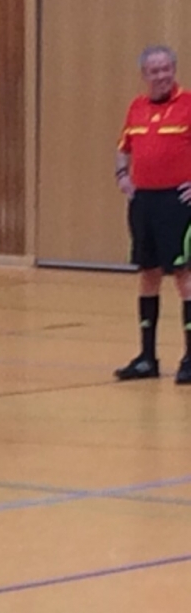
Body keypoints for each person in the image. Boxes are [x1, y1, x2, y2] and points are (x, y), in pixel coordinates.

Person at [115, 45, 191, 384]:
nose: (161, 75)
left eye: (166, 69)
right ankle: (147, 357)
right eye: (154, 71)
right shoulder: (137, 107)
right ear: (145, 75)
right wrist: (122, 175)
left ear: (174, 70)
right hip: (144, 201)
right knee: (148, 273)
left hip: (177, 202)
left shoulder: (188, 104)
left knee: (184, 275)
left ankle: (190, 357)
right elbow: (124, 148)